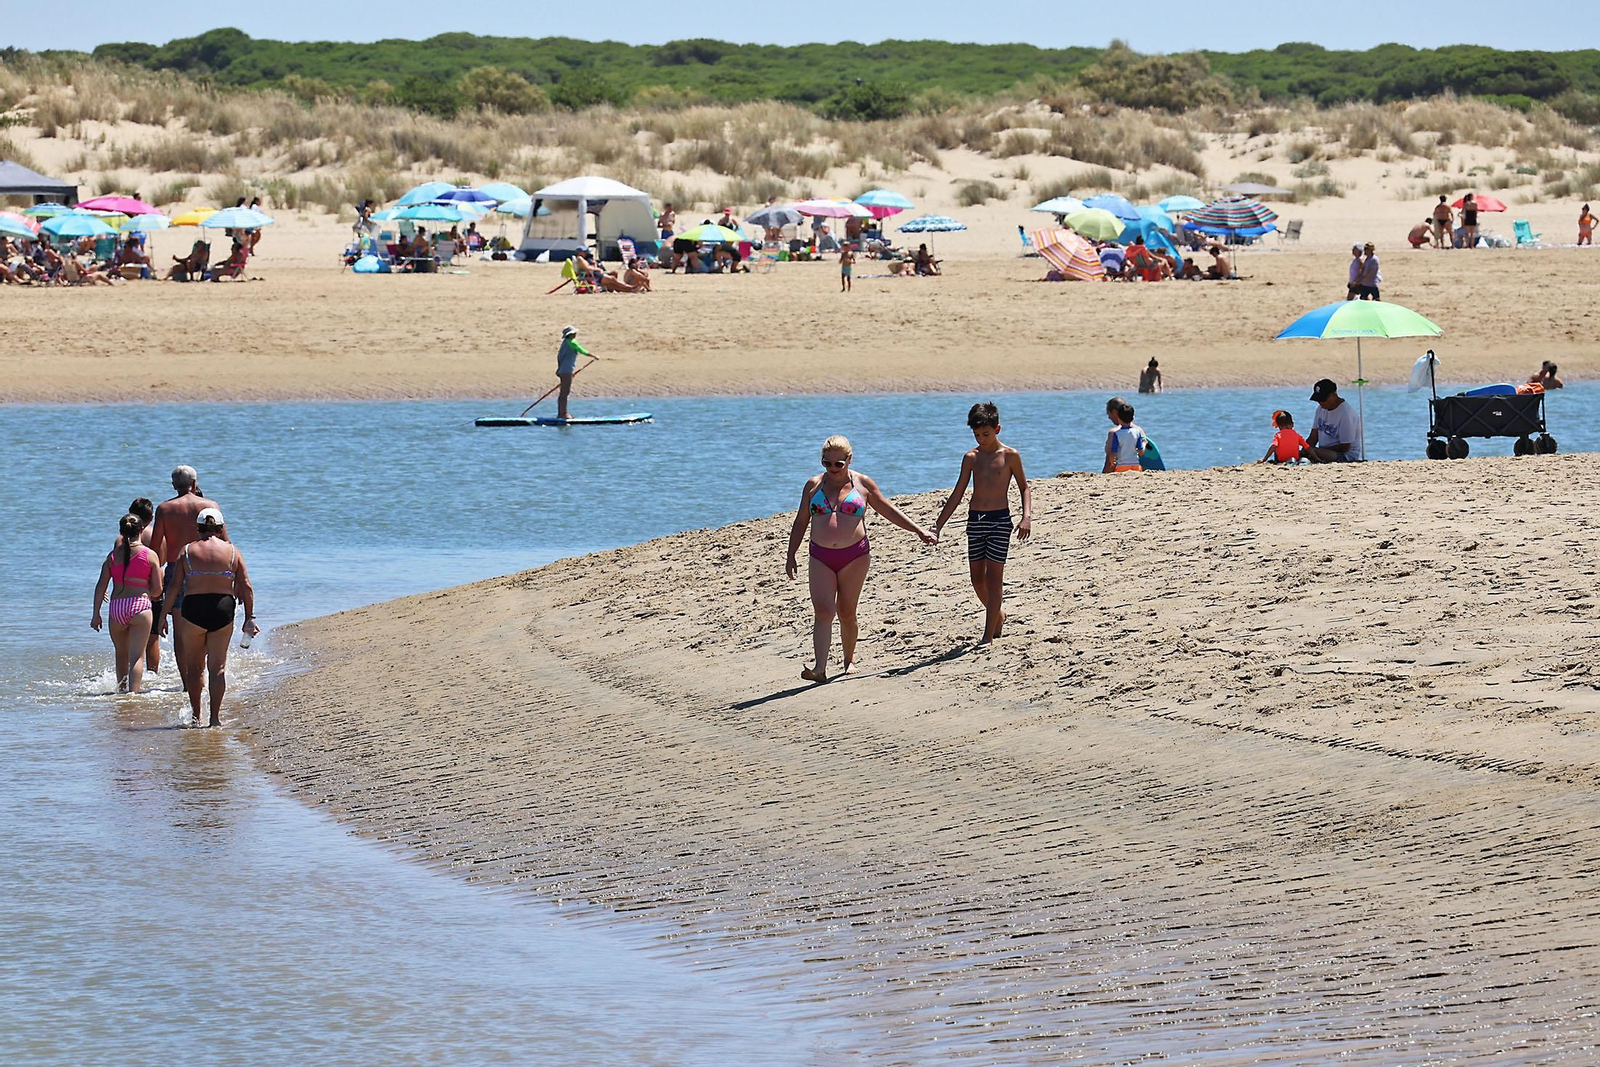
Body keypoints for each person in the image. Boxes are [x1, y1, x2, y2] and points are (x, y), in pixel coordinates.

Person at [785, 435, 936, 683]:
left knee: (846, 611)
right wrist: (791, 554)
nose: (832, 469)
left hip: (854, 555)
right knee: (824, 611)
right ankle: (820, 668)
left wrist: (918, 530)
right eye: (827, 463)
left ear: (849, 460)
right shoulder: (813, 485)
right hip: (820, 555)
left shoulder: (863, 484)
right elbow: (802, 520)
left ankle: (848, 660)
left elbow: (888, 510)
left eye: (838, 464)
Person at [932, 402, 1032, 645]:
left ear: (997, 429)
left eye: (985, 434)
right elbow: (957, 493)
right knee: (977, 579)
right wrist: (938, 525)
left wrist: (1026, 516)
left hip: (1000, 521)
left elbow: (1024, 487)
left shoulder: (1010, 456)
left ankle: (987, 635)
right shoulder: (971, 457)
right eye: (976, 435)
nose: (981, 439)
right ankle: (997, 614)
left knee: (994, 579)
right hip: (975, 520)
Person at [163, 507, 257, 727]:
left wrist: (162, 617)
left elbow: (175, 587)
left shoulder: (186, 552)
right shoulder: (233, 552)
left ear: (198, 528)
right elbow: (246, 586)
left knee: (195, 668)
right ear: (221, 528)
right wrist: (250, 617)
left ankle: (196, 717)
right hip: (222, 609)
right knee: (218, 668)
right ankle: (215, 718)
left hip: (193, 609)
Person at [148, 466, 226, 683]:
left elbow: (154, 548)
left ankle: (188, 682)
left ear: (174, 485)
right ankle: (210, 671)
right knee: (211, 619)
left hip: (177, 569)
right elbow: (225, 543)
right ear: (195, 483)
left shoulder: (164, 509)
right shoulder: (211, 506)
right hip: (208, 568)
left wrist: (153, 577)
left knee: (181, 630)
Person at [91, 513, 165, 694]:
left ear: (121, 532)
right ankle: (133, 695)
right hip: (140, 606)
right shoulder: (150, 555)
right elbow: (157, 590)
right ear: (142, 530)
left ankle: (121, 691)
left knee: (121, 655)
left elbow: (100, 587)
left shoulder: (112, 556)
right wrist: (149, 593)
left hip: (117, 608)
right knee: (137, 657)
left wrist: (96, 614)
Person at [1304, 379, 1363, 462]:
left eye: (1323, 400)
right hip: (1324, 451)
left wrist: (1319, 450)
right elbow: (1313, 437)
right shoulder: (1320, 409)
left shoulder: (1346, 414)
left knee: (1314, 452)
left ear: (1334, 396)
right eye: (1318, 400)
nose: (1320, 402)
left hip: (1345, 455)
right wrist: (1305, 449)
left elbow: (1345, 447)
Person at [555, 325, 592, 419]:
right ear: (571, 334)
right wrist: (594, 356)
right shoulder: (572, 342)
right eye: (574, 333)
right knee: (564, 393)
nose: (575, 334)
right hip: (566, 371)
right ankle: (563, 414)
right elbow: (582, 350)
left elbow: (559, 357)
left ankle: (562, 413)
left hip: (564, 370)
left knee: (563, 393)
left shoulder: (565, 343)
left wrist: (560, 369)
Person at [1102, 397, 1146, 473]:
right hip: (1137, 468)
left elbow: (1110, 461)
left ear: (1115, 412)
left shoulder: (1114, 432)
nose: (1109, 417)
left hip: (1120, 469)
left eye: (1108, 414)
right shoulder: (1139, 431)